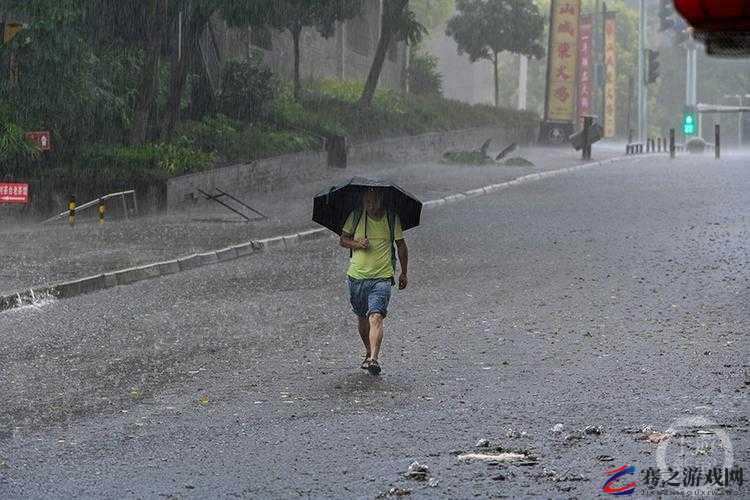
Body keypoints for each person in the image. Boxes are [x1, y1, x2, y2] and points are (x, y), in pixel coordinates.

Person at [339, 189, 408, 375]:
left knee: (376, 316)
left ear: (380, 201)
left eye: (372, 202)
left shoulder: (392, 220)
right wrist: (357, 244)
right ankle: (368, 351)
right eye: (366, 202)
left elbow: (401, 246)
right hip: (357, 277)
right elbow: (343, 240)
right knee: (362, 318)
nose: (369, 206)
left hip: (382, 277)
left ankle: (374, 359)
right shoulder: (356, 217)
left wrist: (404, 273)